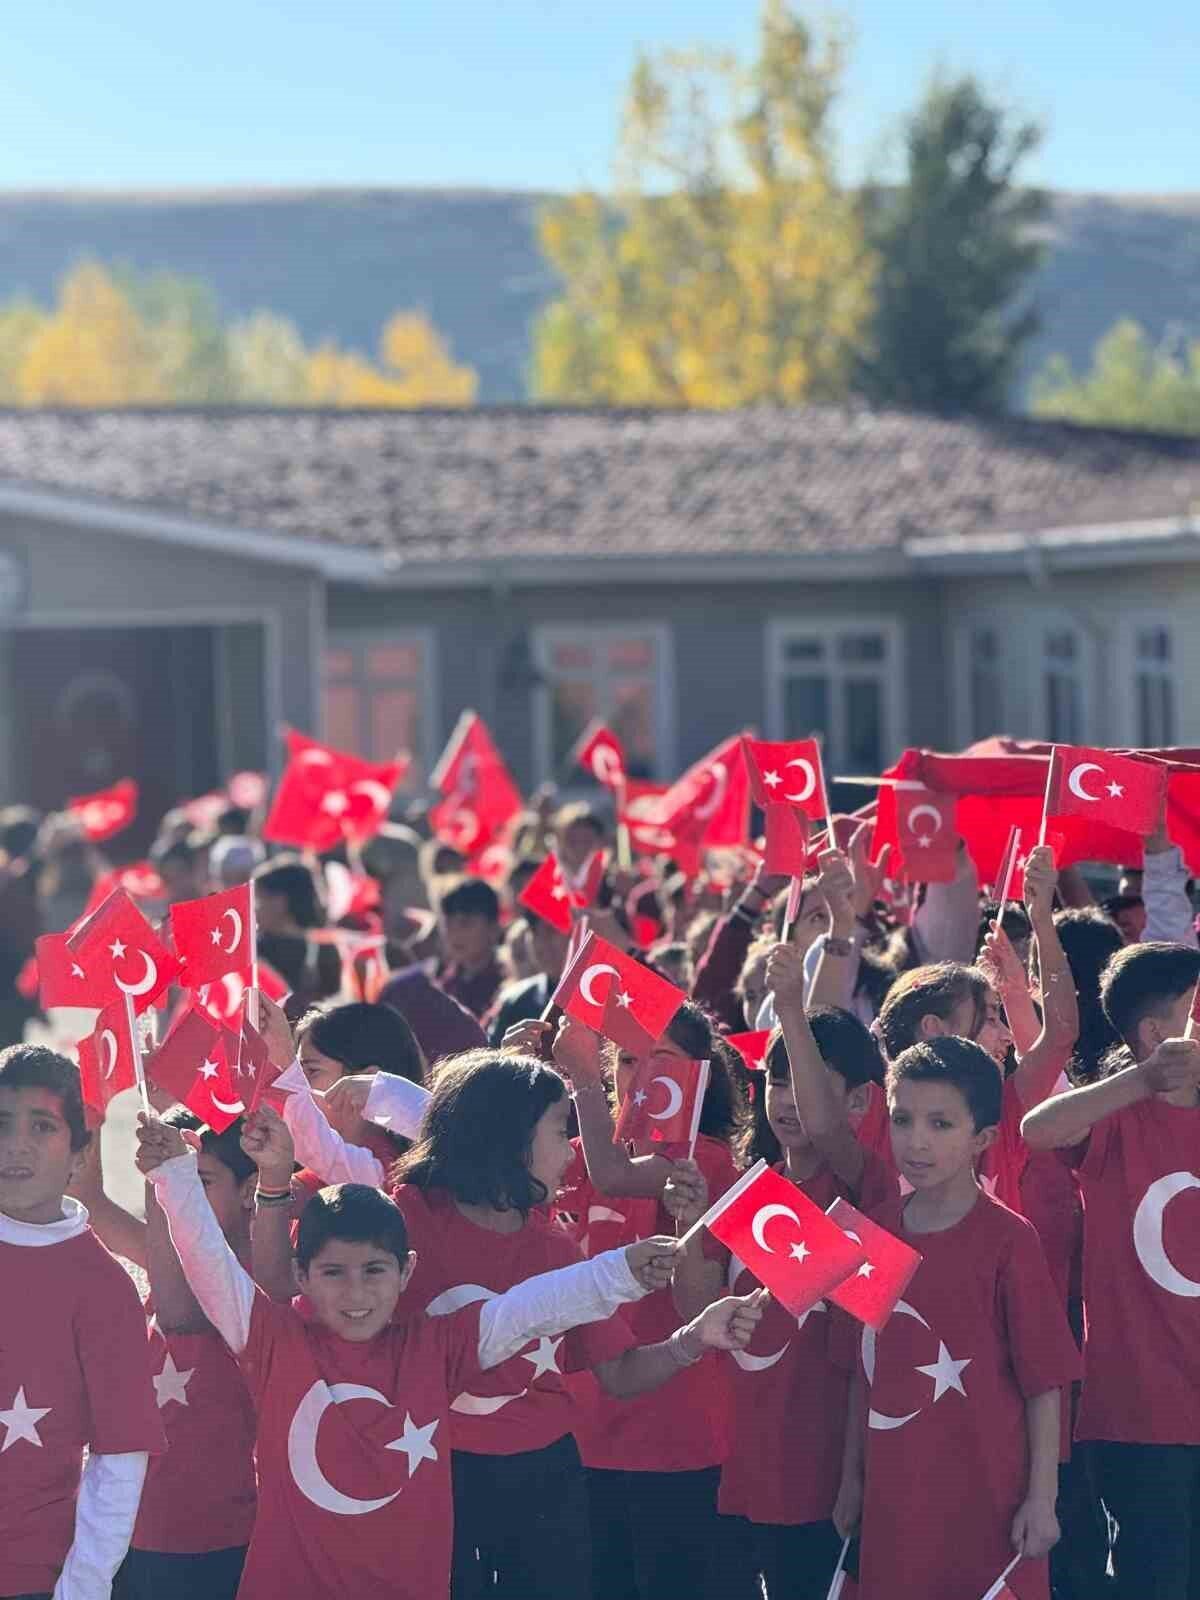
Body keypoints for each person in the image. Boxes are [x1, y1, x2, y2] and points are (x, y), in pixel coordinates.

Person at [141, 1094, 758, 1600]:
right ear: (302, 1277)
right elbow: (211, 1269)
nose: (355, 1293)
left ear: (407, 1272)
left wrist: (625, 1274)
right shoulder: (274, 1343)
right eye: (333, 1273)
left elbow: (528, 1309)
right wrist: (173, 1177)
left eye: (374, 1271)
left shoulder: (437, 1345)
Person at [682, 943, 893, 1600]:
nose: (789, 1099)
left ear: (859, 1100)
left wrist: (791, 1012)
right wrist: (688, 1224)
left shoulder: (866, 1186)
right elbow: (694, 1307)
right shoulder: (754, 1191)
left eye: (807, 1080)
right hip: (747, 1464)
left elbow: (827, 1131)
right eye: (776, 1080)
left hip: (826, 1469)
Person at [835, 1038, 1079, 1600]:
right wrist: (851, 1476)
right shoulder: (874, 1231)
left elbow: (1046, 1383)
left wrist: (1043, 1498)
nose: (916, 1140)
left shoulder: (1010, 1239)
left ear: (983, 1138)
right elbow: (861, 1370)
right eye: (902, 1119)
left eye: (940, 1124)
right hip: (896, 1498)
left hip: (990, 1498)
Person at [547, 1004, 749, 1600]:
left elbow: (696, 1308)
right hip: (580, 1439)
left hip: (676, 1444)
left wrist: (580, 1078)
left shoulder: (704, 1161)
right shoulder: (569, 1157)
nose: (644, 1079)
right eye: (628, 1061)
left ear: (700, 1076)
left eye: (664, 1062)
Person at [1021, 941, 1200, 1600]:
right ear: (1157, 1034)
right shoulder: (1117, 1118)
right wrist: (1144, 1079)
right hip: (1141, 1415)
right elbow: (1038, 1129)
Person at [0, 1044, 165, 1600]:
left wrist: (82, 1587)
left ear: (80, 1152)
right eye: (1, 1123)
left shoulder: (104, 1288)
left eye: (42, 1126)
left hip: (31, 1576)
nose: (16, 1143)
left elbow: (120, 1458)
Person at [114, 1112, 258, 1600]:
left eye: (201, 1180)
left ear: (249, 1189)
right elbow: (91, 1202)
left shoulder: (260, 1276)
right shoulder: (163, 1264)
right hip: (139, 1527)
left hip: (222, 1538)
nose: (183, 1190)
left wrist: (168, 1181)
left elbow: (180, 1317)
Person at [252, 857, 341, 1012]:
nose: (254, 909)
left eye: (259, 899)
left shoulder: (324, 949)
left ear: (280, 902)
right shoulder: (254, 951)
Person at [435, 877, 504, 1019]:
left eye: (465, 923)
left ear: (493, 928)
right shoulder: (443, 984)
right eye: (448, 923)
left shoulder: (506, 983)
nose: (454, 933)